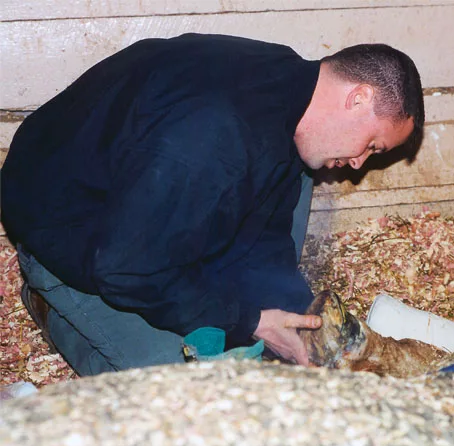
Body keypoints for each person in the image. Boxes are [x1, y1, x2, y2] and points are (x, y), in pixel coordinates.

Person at [1, 33, 424, 376]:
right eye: (372, 145)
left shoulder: (289, 96)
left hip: (152, 209)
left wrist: (291, 317)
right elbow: (127, 269)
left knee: (304, 169)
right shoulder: (213, 136)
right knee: (188, 391)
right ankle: (55, 308)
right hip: (77, 237)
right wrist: (249, 320)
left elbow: (264, 238)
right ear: (358, 98)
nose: (359, 163)